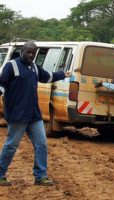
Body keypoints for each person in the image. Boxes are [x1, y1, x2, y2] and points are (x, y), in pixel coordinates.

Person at [0, 41, 72, 186]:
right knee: (12, 145)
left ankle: (40, 176)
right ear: (23, 51)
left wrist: (62, 74)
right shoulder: (11, 66)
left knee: (41, 144)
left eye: (33, 53)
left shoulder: (34, 67)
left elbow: (46, 76)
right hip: (18, 115)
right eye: (28, 52)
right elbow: (2, 85)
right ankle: (0, 174)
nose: (31, 55)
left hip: (34, 115)